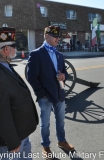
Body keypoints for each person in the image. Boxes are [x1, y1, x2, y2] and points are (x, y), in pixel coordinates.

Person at [0, 27, 38, 159]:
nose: (17, 48)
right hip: (9, 142)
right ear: (6, 49)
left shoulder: (2, 63)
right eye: (14, 45)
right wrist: (13, 142)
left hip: (20, 134)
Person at [27, 26, 74, 158]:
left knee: (60, 121)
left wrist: (64, 76)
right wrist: (41, 93)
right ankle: (46, 146)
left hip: (59, 93)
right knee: (45, 124)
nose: (58, 39)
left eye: (58, 36)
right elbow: (31, 77)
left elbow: (65, 71)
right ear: (47, 36)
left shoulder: (59, 54)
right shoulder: (36, 54)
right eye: (55, 36)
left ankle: (61, 141)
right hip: (45, 96)